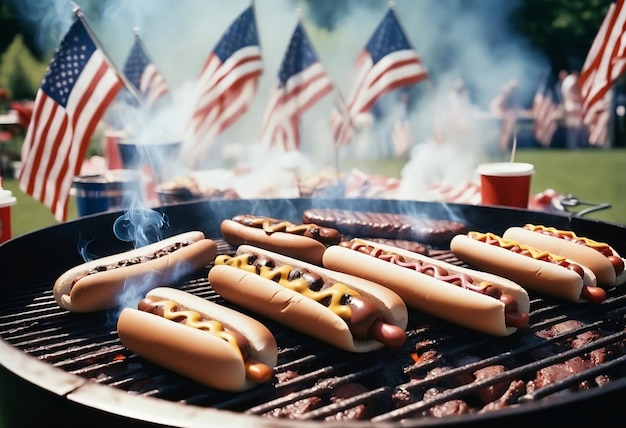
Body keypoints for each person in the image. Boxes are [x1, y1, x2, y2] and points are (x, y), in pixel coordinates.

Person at [560, 71, 589, 149]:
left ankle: (581, 145)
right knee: (573, 131)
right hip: (572, 108)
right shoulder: (570, 82)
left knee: (581, 130)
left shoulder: (574, 82)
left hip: (577, 109)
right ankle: (573, 146)